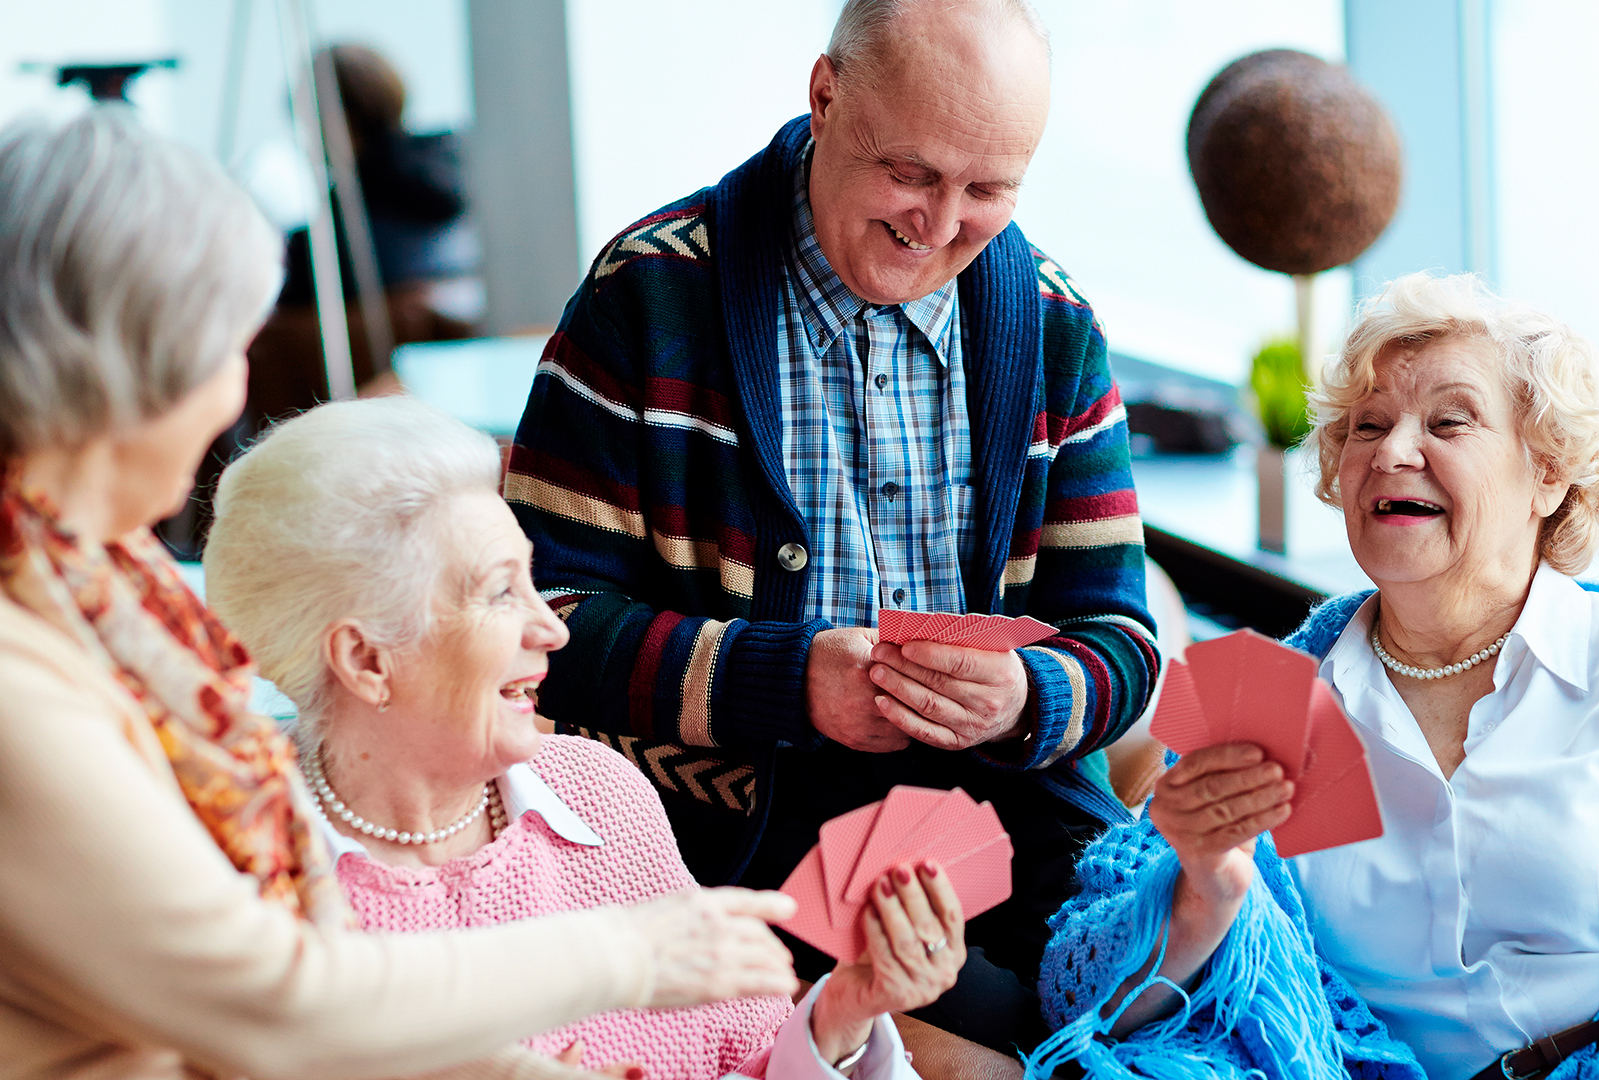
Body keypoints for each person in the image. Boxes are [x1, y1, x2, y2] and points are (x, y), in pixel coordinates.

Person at [0, 109, 800, 1079]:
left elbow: (321, 1010)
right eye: (225, 348)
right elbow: (279, 1006)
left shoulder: (91, 588)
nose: (233, 390)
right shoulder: (24, 669)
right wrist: (633, 952)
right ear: (127, 368)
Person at [1033, 273, 1599, 1079]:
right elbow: (1088, 1003)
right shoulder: (1262, 691)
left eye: (1448, 423)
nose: (1391, 451)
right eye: (1367, 426)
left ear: (1547, 477)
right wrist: (1197, 894)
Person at [502, 0, 1159, 1051]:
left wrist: (1029, 694)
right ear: (824, 99)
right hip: (728, 840)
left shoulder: (1052, 322)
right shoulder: (649, 294)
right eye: (912, 173)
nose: (941, 226)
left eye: (988, 190)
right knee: (1007, 1036)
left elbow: (1124, 645)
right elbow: (535, 623)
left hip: (1012, 826)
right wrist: (784, 679)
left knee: (1168, 1000)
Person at [205, 397, 965, 1078]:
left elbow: (745, 1054)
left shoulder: (597, 791)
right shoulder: (250, 889)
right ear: (367, 660)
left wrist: (843, 1017)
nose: (551, 629)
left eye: (535, 583)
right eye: (503, 592)